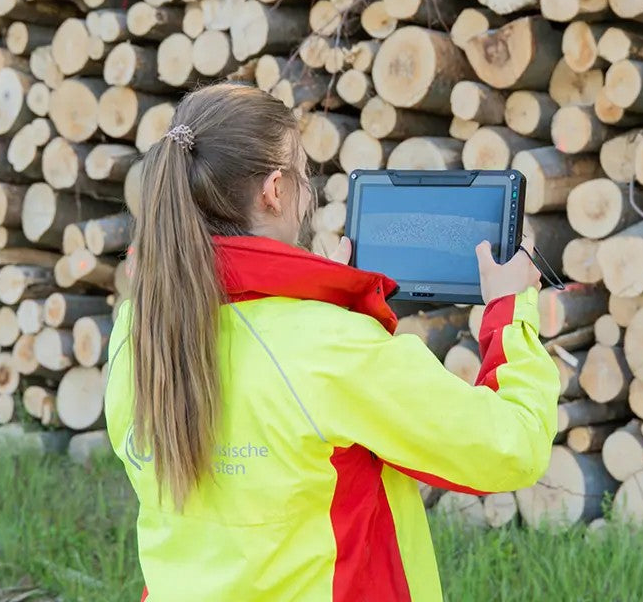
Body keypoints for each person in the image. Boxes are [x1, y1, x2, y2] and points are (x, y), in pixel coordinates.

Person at [104, 83, 559, 602]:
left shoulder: (136, 329)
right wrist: (509, 310)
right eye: (303, 175)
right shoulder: (332, 348)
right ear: (275, 190)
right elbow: (511, 446)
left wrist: (319, 303)